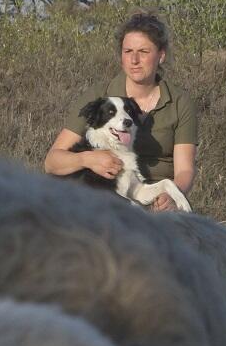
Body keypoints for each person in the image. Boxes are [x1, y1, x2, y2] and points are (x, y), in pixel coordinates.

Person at [42, 12, 197, 211]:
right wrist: (88, 159)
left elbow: (185, 169)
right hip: (105, 200)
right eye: (128, 51)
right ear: (121, 56)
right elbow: (52, 162)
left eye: (143, 51)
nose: (134, 60)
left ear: (161, 55)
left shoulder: (180, 102)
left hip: (156, 196)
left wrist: (173, 195)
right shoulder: (99, 96)